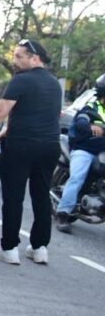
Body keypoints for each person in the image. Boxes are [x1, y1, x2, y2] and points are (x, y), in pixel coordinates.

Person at [0, 39, 61, 265]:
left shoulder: (21, 80)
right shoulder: (54, 84)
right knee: (41, 195)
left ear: (35, 58)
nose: (15, 60)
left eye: (19, 56)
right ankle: (40, 248)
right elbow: (45, 115)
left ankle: (9, 248)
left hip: (21, 146)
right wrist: (8, 129)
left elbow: (0, 112)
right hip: (50, 146)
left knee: (13, 196)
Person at [56, 73, 105, 232]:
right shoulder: (91, 107)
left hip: (102, 151)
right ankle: (63, 214)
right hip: (85, 149)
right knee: (77, 177)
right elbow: (81, 121)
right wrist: (91, 127)